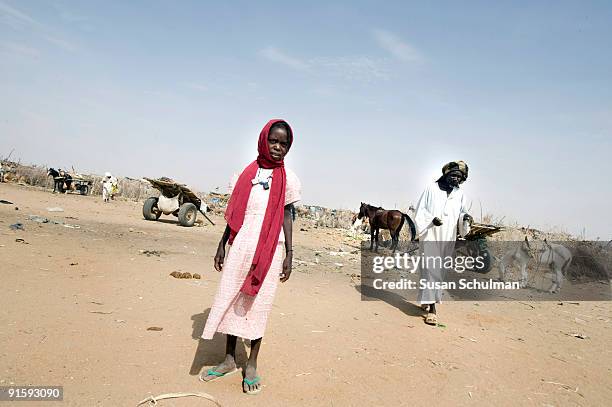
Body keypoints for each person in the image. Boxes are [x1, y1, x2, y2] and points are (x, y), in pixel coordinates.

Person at [200, 119, 301, 395]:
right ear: (263, 140)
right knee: (234, 297)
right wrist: (222, 244)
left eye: (284, 144)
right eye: (274, 141)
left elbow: (287, 216)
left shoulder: (288, 179)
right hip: (242, 241)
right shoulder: (245, 174)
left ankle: (252, 362)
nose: (278, 147)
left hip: (270, 245)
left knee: (260, 302)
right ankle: (230, 358)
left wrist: (290, 253)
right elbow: (235, 213)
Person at [414, 161, 472, 325]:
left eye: (459, 177)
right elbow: (420, 211)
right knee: (433, 270)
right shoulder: (431, 189)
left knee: (439, 271)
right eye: (453, 175)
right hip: (431, 234)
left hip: (448, 236)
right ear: (445, 175)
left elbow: (462, 213)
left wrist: (465, 218)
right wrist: (430, 220)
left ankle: (426, 300)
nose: (456, 179)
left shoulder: (459, 194)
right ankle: (432, 310)